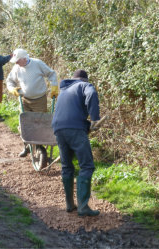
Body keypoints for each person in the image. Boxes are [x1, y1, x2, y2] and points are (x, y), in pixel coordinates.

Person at [51, 69, 101, 216]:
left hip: (59, 129)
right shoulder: (83, 85)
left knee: (67, 166)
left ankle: (69, 204)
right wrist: (94, 118)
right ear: (84, 79)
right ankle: (83, 207)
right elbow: (91, 94)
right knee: (86, 166)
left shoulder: (65, 90)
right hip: (74, 129)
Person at [6, 48, 59, 157]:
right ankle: (26, 146)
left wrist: (54, 87)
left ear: (24, 58)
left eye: (17, 60)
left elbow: (51, 74)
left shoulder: (37, 64)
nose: (15, 63)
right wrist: (12, 89)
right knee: (24, 124)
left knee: (40, 124)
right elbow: (9, 81)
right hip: (24, 100)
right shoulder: (16, 68)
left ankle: (40, 147)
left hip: (39, 100)